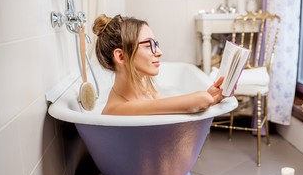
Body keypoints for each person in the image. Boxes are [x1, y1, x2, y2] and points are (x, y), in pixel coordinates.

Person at [92, 14, 225, 115]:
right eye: (148, 45)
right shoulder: (116, 110)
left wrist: (209, 97)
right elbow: (200, 100)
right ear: (121, 56)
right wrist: (208, 98)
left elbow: (176, 108)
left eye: (155, 44)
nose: (159, 52)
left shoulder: (145, 86)